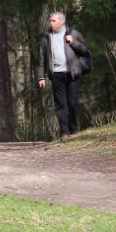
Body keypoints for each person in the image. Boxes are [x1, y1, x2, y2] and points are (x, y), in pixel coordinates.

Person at [38, 11, 90, 139]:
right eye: (50, 20)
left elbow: (85, 50)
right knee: (60, 104)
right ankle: (65, 132)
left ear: (62, 22)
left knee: (72, 103)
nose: (51, 23)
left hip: (72, 73)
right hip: (56, 74)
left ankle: (73, 130)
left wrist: (73, 42)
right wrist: (41, 76)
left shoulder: (73, 34)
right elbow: (42, 57)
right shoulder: (47, 37)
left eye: (54, 21)